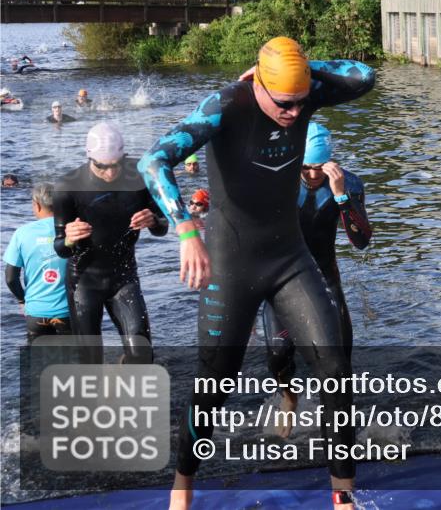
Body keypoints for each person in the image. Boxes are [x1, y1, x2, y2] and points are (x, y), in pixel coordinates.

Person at [138, 36, 374, 510]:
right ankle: (182, 484)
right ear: (260, 85)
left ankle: (342, 496)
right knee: (216, 378)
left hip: (289, 257)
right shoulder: (225, 105)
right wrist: (185, 227)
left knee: (335, 370)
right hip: (231, 262)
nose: (293, 113)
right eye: (285, 104)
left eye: (301, 104)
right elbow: (153, 161)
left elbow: (364, 76)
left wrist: (307, 70)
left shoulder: (305, 93)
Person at [261, 122, 372, 436]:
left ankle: (336, 429)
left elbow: (362, 240)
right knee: (278, 353)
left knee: (339, 362)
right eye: (306, 168)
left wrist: (340, 198)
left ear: (331, 163)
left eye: (319, 169)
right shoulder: (276, 182)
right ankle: (289, 397)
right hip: (282, 280)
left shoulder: (348, 183)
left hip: (325, 277)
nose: (312, 176)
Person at [52, 122, 168, 365]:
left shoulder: (139, 176)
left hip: (124, 277)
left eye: (115, 165)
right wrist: (70, 238)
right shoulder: (67, 187)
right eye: (102, 166)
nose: (109, 173)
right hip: (84, 281)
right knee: (90, 361)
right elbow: (60, 248)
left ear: (123, 157)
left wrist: (153, 220)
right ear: (89, 157)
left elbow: (163, 228)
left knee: (142, 355)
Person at [4, 183, 72, 344]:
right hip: (68, 313)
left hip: (36, 313)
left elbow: (10, 278)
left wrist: (22, 300)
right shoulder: (73, 230)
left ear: (37, 205)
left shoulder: (22, 233)